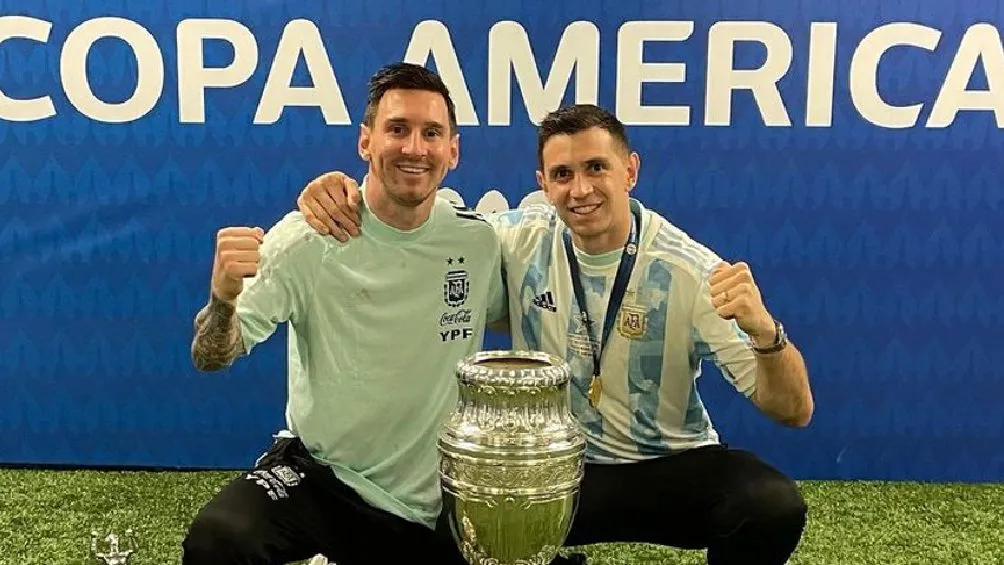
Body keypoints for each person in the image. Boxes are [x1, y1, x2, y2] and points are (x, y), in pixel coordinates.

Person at [294, 103, 815, 565]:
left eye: (596, 168)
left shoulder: (690, 271)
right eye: (562, 173)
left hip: (669, 467)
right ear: (543, 184)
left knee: (770, 506)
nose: (580, 189)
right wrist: (346, 191)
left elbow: (794, 410)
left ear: (630, 171)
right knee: (440, 509)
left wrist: (766, 332)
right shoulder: (516, 238)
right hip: (553, 467)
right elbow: (422, 219)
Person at [182, 62, 508, 565]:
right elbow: (211, 356)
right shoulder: (307, 239)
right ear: (365, 142)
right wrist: (223, 298)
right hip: (323, 479)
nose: (414, 148)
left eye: (432, 133)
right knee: (220, 539)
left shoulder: (478, 240)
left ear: (453, 150)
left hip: (437, 499)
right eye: (397, 129)